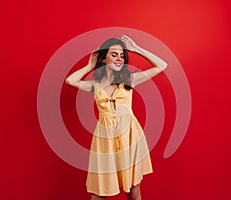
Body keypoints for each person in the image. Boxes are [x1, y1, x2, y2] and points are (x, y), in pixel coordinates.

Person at [65, 35, 168, 200]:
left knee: (133, 193)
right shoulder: (95, 85)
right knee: (100, 193)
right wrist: (90, 66)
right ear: (104, 58)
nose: (119, 59)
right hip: (105, 141)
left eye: (122, 55)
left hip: (130, 138)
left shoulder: (130, 81)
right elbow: (70, 80)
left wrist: (136, 49)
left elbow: (162, 65)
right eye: (114, 54)